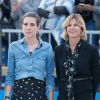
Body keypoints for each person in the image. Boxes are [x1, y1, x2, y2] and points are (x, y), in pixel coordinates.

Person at [4, 12, 55, 100]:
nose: (28, 28)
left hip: (39, 94)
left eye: (32, 24)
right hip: (19, 94)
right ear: (22, 26)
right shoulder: (13, 46)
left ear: (38, 27)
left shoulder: (47, 47)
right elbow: (10, 74)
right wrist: (7, 97)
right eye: (25, 24)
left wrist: (51, 99)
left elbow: (50, 77)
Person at [55, 14, 100, 100]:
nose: (72, 27)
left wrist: (91, 96)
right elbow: (60, 76)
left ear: (81, 28)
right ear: (66, 29)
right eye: (69, 25)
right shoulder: (59, 50)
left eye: (75, 25)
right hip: (63, 96)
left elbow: (96, 77)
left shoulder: (92, 50)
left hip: (84, 95)